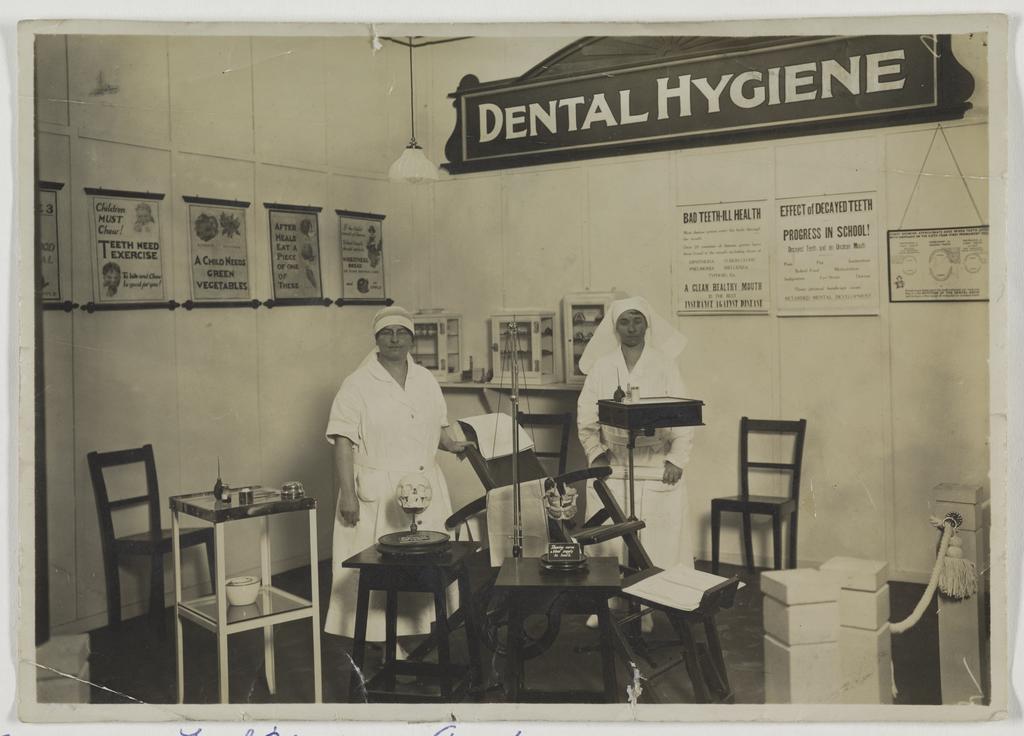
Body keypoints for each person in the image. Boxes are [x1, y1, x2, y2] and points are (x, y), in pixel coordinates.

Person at [323, 305, 474, 643]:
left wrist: (453, 444)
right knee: (380, 571)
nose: (395, 339)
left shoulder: (425, 379)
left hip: (424, 486)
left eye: (402, 332)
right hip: (377, 490)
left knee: (426, 568)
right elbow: (343, 441)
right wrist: (348, 495)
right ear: (376, 339)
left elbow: (437, 426)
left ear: (412, 338)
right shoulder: (357, 384)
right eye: (387, 333)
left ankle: (418, 636)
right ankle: (380, 642)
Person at [577, 296, 694, 630]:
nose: (631, 328)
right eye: (625, 322)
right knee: (609, 539)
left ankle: (649, 606)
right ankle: (605, 602)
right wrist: (596, 453)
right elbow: (586, 416)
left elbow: (683, 415)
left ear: (647, 324)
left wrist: (676, 459)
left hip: (655, 464)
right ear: (615, 327)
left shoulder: (665, 364)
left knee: (657, 540)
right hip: (615, 464)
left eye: (637, 320)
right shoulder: (602, 367)